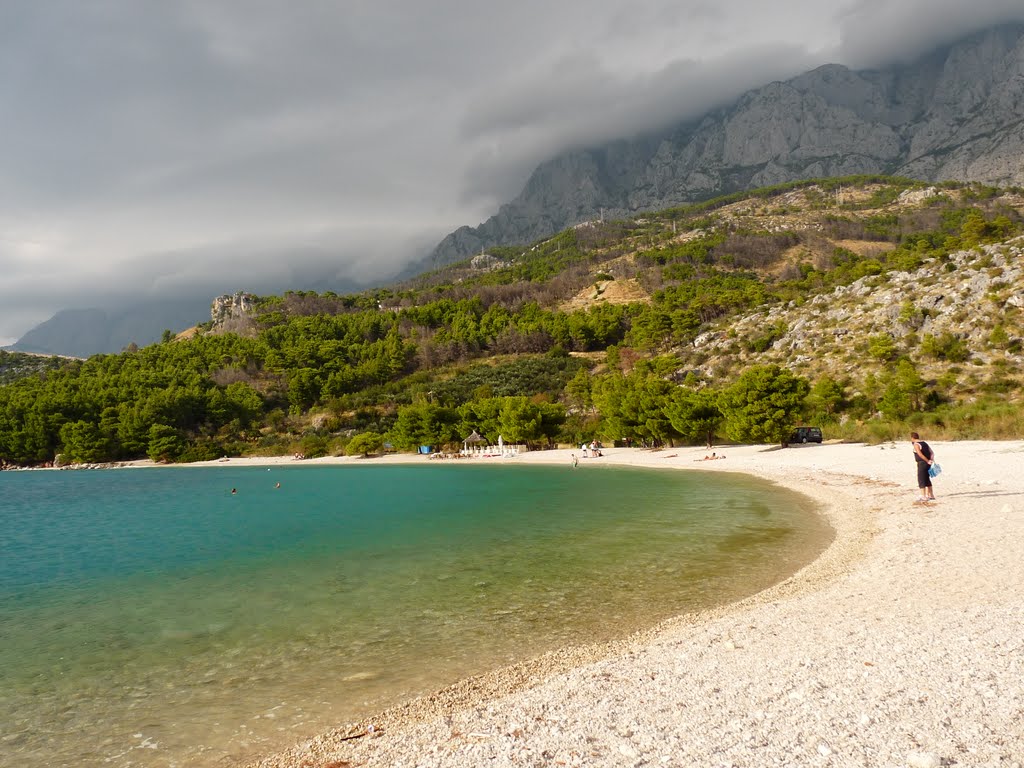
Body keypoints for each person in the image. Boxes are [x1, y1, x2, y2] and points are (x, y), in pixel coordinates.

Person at [911, 432, 936, 502]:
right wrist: (931, 460)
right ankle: (931, 495)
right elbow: (932, 452)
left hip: (922, 463)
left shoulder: (916, 445)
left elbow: (920, 455)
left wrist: (927, 461)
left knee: (921, 479)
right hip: (928, 463)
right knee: (927, 479)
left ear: (912, 438)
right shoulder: (924, 443)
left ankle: (923, 496)